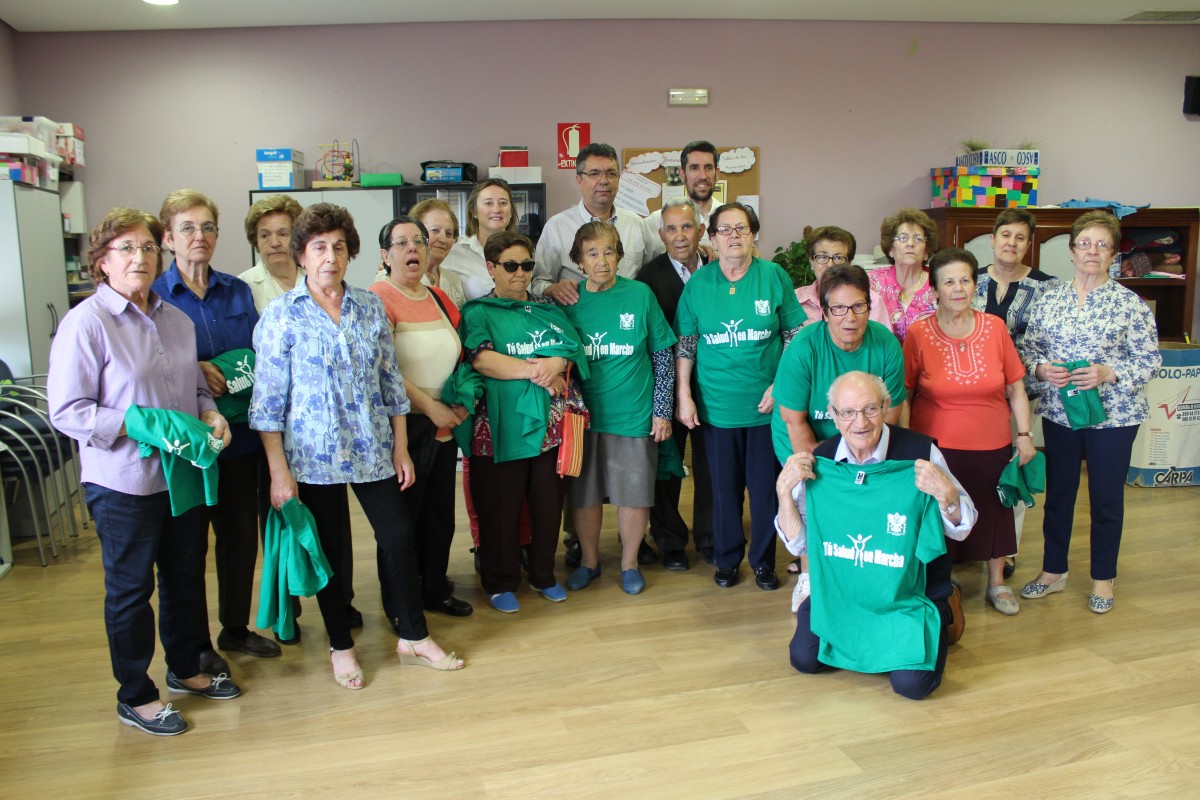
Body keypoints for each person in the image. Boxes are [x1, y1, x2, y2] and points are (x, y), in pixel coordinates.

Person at [251, 203, 463, 690]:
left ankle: (413, 635)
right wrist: (279, 473)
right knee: (333, 554)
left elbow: (391, 384)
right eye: (319, 247)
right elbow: (267, 406)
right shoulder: (281, 316)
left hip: (373, 448)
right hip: (311, 457)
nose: (330, 257)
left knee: (397, 538)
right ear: (302, 255)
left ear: (351, 255)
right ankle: (340, 647)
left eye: (339, 247)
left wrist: (402, 448)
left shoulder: (368, 305)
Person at [48, 207, 241, 736]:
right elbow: (67, 411)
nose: (140, 257)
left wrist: (210, 413)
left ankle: (185, 669)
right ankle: (135, 694)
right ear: (102, 261)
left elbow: (196, 386)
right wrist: (136, 424)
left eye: (148, 248)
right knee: (131, 589)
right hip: (123, 481)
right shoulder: (87, 323)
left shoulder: (175, 320)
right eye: (126, 248)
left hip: (181, 475)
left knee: (183, 577)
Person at [777, 372, 977, 700]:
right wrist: (784, 494)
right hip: (841, 594)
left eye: (870, 409)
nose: (860, 422)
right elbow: (799, 543)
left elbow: (963, 527)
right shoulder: (822, 461)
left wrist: (948, 497)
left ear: (886, 407)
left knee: (912, 686)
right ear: (833, 414)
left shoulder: (919, 453)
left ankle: (945, 606)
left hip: (905, 596)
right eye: (848, 412)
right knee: (804, 659)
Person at [153, 189, 280, 661]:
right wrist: (196, 367)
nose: (199, 236)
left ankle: (234, 628)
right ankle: (196, 646)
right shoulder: (156, 296)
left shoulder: (237, 290)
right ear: (168, 238)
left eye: (207, 227)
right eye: (187, 228)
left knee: (240, 536)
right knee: (186, 548)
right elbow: (151, 364)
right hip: (187, 441)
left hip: (241, 435)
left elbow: (257, 353)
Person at [1019, 211, 1161, 614]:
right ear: (1071, 250)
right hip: (1060, 414)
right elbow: (1029, 351)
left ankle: (1103, 579)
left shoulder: (1129, 304)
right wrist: (1040, 369)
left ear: (1113, 254)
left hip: (1114, 419)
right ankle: (1052, 571)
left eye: (1102, 245)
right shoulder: (1050, 299)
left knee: (1105, 500)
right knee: (1059, 496)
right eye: (1085, 243)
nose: (1092, 251)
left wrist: (1108, 372)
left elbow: (1150, 360)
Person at [455, 231, 589, 613]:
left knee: (548, 505)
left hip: (550, 429)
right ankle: (500, 581)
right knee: (501, 507)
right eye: (510, 266)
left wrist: (559, 363)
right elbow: (481, 359)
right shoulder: (477, 312)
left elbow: (572, 350)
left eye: (527, 265)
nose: (520, 274)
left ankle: (544, 575)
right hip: (498, 428)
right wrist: (537, 369)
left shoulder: (548, 310)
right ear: (491, 268)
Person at [675, 202, 804, 591]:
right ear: (711, 238)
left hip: (766, 409)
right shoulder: (699, 284)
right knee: (722, 491)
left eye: (742, 229)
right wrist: (684, 394)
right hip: (716, 408)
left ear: (753, 235)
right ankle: (728, 559)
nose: (733, 236)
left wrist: (779, 386)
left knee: (766, 491)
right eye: (725, 230)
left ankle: (764, 561)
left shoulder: (773, 276)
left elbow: (794, 336)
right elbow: (686, 344)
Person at [903, 248, 1036, 616]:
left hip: (992, 441)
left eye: (965, 280)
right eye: (949, 281)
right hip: (938, 446)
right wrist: (906, 446)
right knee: (940, 514)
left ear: (975, 286)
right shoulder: (918, 333)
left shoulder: (994, 327)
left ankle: (997, 582)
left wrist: (1024, 434)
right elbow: (906, 393)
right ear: (934, 291)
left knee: (996, 511)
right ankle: (944, 584)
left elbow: (1016, 387)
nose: (958, 288)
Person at [772, 263, 907, 605]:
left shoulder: (886, 345)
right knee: (816, 498)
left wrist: (866, 465)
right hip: (807, 435)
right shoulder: (804, 348)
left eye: (859, 306)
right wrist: (830, 469)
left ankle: (860, 569)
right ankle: (808, 575)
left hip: (866, 434)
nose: (850, 318)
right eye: (839, 308)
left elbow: (889, 417)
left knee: (869, 499)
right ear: (825, 312)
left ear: (869, 305)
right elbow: (794, 420)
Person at [560, 222, 676, 595]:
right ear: (579, 261)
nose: (602, 260)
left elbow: (663, 356)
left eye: (609, 251)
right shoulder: (568, 301)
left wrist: (661, 410)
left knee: (634, 493)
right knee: (585, 495)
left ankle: (628, 564)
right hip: (583, 418)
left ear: (620, 256)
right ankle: (590, 561)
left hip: (634, 414)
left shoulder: (640, 295)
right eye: (592, 253)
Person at [369, 216, 472, 619]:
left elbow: (458, 354)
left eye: (418, 241)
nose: (412, 248)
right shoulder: (377, 297)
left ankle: (434, 589)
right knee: (401, 524)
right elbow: (385, 368)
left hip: (445, 425)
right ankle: (400, 604)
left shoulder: (436, 297)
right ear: (385, 255)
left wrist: (460, 399)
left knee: (438, 518)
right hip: (405, 428)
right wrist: (431, 408)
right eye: (401, 243)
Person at [971, 208, 1059, 578]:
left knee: (1013, 470)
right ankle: (969, 542)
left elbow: (1054, 342)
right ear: (992, 240)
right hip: (973, 396)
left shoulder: (1048, 287)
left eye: (1020, 237)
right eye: (1005, 235)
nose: (1011, 243)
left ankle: (1006, 549)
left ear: (1028, 244)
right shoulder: (967, 280)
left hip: (1024, 394)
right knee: (972, 470)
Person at [637, 198, 714, 568]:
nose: (680, 236)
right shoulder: (648, 279)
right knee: (668, 468)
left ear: (700, 229)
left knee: (711, 466)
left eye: (687, 227)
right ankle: (669, 542)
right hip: (667, 386)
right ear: (661, 234)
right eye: (671, 228)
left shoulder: (719, 269)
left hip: (712, 386)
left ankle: (711, 538)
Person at [532, 142, 648, 303]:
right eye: (594, 173)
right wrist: (552, 289)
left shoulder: (637, 225)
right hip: (579, 319)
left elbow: (653, 274)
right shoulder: (556, 227)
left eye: (611, 173)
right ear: (579, 180)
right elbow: (537, 282)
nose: (604, 181)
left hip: (628, 316)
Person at [793, 226, 890, 330]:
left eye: (838, 258)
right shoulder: (795, 299)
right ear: (811, 260)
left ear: (849, 262)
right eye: (822, 257)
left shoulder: (872, 301)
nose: (830, 264)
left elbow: (881, 342)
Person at [439, 178, 518, 301]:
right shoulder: (453, 251)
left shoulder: (526, 252)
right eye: (488, 203)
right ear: (474, 211)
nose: (497, 209)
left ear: (511, 211)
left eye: (503, 203)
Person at [642, 140, 721, 260]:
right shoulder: (655, 221)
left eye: (708, 168)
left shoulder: (731, 220)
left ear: (717, 173)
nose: (703, 176)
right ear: (682, 174)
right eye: (694, 168)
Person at [869, 207, 938, 342]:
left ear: (926, 252)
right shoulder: (872, 282)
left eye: (918, 239)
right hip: (882, 360)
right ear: (890, 250)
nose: (910, 243)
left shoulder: (939, 283)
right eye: (902, 238)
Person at [239, 193, 305, 311]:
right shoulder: (242, 287)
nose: (274, 243)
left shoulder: (315, 278)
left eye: (283, 234)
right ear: (256, 240)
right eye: (265, 235)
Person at [410, 198, 467, 308]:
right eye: (435, 230)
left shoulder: (453, 281)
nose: (443, 239)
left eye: (449, 233)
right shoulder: (394, 277)